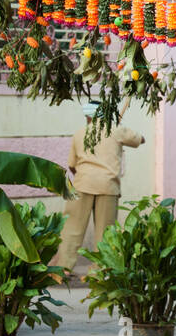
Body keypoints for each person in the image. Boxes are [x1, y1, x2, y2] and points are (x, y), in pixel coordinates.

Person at [56, 100, 144, 278]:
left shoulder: (79, 134)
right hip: (107, 186)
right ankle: (100, 271)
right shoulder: (116, 130)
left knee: (72, 228)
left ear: (88, 116)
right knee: (105, 232)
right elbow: (140, 139)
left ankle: (63, 268)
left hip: (82, 184)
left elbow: (72, 166)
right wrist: (120, 129)